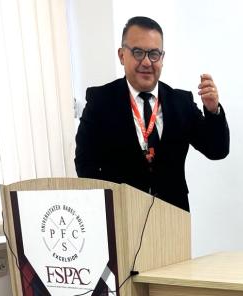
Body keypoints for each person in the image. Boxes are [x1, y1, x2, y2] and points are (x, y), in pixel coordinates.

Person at [74, 16, 230, 212]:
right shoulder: (100, 101)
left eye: (154, 54)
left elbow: (217, 150)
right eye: (138, 52)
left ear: (162, 58)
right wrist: (107, 206)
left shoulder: (181, 102)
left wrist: (213, 110)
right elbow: (85, 164)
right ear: (122, 55)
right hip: (122, 215)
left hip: (172, 215)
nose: (147, 62)